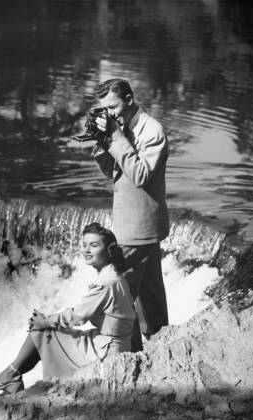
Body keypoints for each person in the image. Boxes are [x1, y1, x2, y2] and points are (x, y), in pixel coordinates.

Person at [0, 223, 136, 395]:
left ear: (109, 250)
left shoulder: (104, 282)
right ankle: (10, 376)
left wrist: (46, 320)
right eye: (84, 244)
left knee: (42, 329)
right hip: (111, 344)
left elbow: (78, 318)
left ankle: (9, 377)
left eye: (94, 245)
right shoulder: (115, 274)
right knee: (45, 328)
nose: (86, 250)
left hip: (105, 353)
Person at [90, 78, 170, 352]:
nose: (110, 114)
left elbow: (140, 175)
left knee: (121, 298)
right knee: (150, 296)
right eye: (105, 109)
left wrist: (114, 136)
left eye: (113, 106)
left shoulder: (152, 131)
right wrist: (102, 143)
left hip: (139, 229)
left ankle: (129, 354)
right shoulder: (121, 127)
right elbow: (114, 172)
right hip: (130, 224)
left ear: (129, 98)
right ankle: (162, 349)